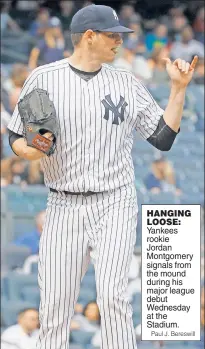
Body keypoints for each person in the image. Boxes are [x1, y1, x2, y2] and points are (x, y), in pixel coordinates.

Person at [7, 4, 198, 349]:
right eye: (112, 35)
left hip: (115, 201)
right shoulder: (44, 78)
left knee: (113, 298)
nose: (119, 42)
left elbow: (163, 138)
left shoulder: (126, 82)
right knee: (54, 307)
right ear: (89, 37)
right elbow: (17, 138)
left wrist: (178, 89)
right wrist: (33, 146)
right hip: (63, 203)